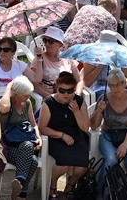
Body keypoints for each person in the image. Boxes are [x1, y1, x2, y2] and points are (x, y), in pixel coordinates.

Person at [90, 69, 127, 200]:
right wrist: (98, 111)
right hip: (108, 135)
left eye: (118, 84)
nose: (115, 88)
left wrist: (124, 145)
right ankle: (100, 190)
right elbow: (94, 126)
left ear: (124, 83)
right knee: (111, 158)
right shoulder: (104, 98)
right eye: (112, 85)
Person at [38, 71, 90, 199]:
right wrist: (61, 135)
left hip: (77, 137)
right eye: (62, 91)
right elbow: (42, 128)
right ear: (56, 88)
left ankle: (70, 185)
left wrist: (77, 112)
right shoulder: (49, 103)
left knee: (81, 168)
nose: (66, 94)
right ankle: (53, 185)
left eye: (70, 91)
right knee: (63, 166)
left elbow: (85, 127)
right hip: (56, 137)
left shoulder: (79, 101)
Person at [0, 76, 42, 199]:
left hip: (23, 147)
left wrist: (38, 137)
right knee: (31, 158)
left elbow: (34, 124)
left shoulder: (27, 104)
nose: (28, 97)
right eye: (25, 95)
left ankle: (19, 186)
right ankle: (21, 186)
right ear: (15, 94)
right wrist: (8, 88)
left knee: (30, 153)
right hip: (7, 147)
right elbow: (3, 107)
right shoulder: (7, 103)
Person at [0, 37, 42, 104]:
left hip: (18, 100)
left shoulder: (20, 65)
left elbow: (37, 79)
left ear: (13, 52)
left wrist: (39, 59)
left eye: (6, 50)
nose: (2, 52)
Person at [30, 27, 80, 98]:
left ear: (60, 44)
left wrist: (76, 94)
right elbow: (35, 85)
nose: (46, 44)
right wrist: (51, 98)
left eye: (50, 41)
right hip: (48, 97)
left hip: (68, 95)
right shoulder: (39, 58)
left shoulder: (67, 57)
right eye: (45, 40)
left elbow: (79, 80)